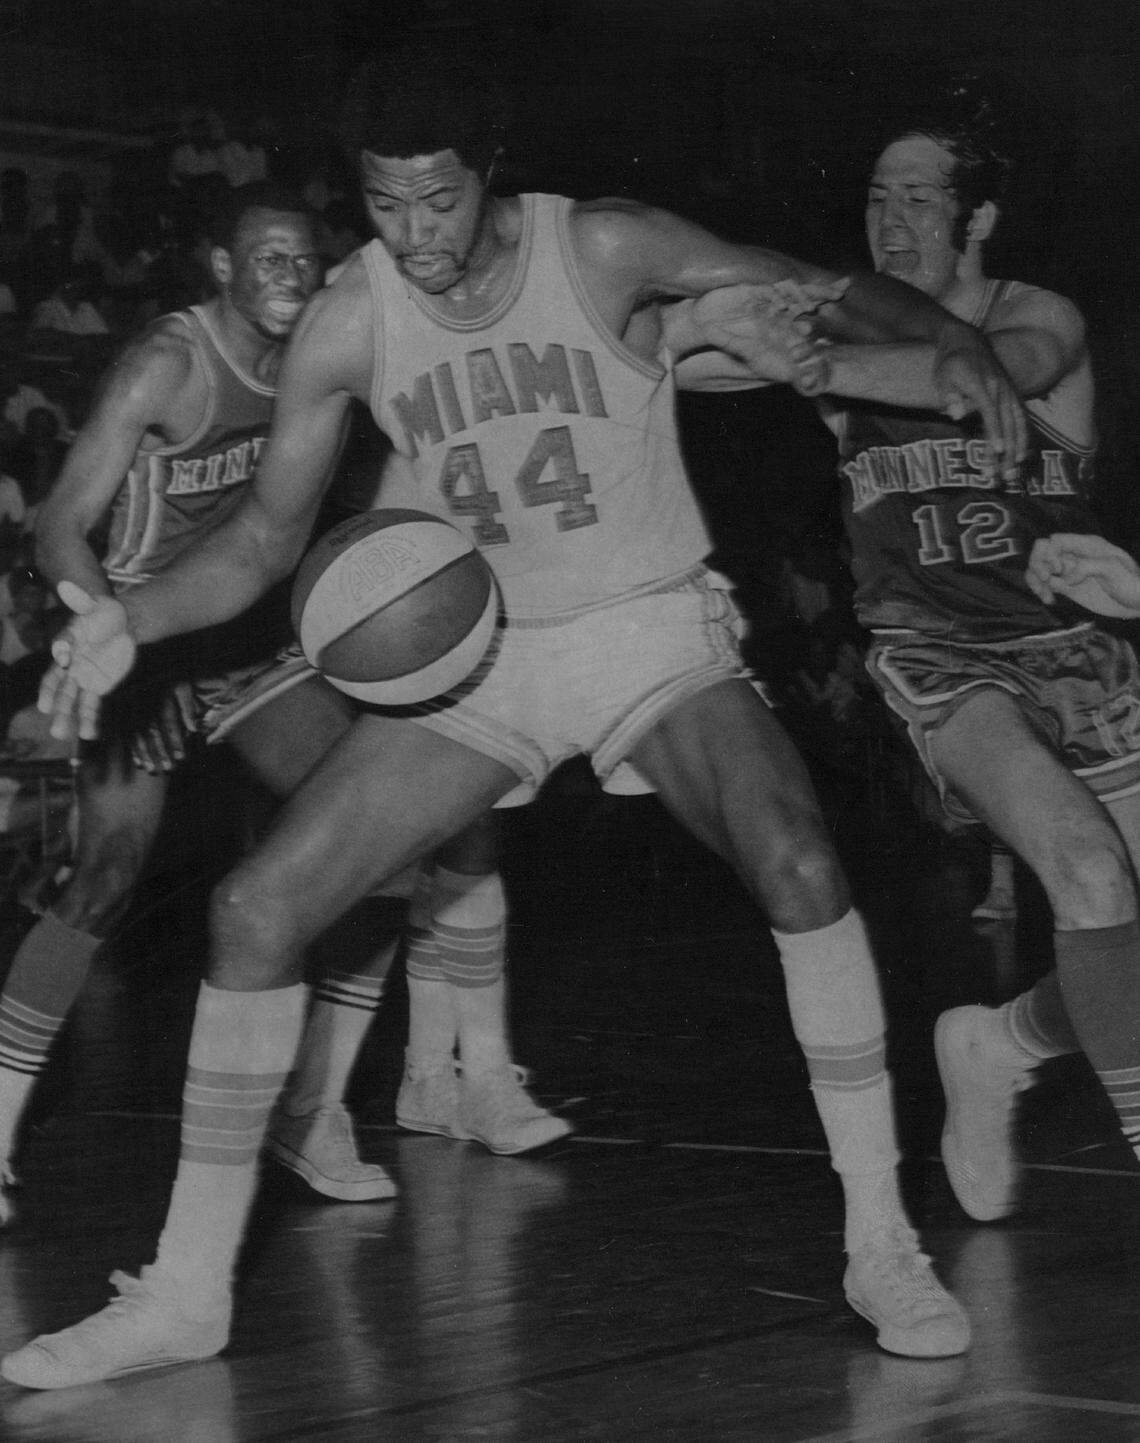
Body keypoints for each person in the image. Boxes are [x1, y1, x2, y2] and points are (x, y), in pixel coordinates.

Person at [7, 44, 1027, 1388]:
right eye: (385, 206)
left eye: (436, 202)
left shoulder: (601, 244)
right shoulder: (354, 317)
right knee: (255, 910)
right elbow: (264, 536)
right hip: (479, 649)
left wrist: (957, 341)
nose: (414, 235)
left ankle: (881, 1238)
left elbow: (809, 278)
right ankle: (189, 1287)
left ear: (485, 175)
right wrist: (130, 617)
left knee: (799, 858)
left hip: (646, 626)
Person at [0, 178, 561, 1239]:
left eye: (304, 262)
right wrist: (105, 631)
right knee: (104, 880)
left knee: (383, 848)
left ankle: (312, 1109)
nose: (290, 278)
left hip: (248, 641)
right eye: (267, 260)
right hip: (136, 637)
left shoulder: (321, 356)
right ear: (221, 267)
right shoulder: (167, 362)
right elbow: (61, 525)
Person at [674, 102, 1140, 1232]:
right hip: (941, 662)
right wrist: (730, 325)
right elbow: (671, 364)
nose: (890, 221)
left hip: (1073, 648)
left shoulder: (1038, 318)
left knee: (1118, 939)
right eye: (877, 199)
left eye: (918, 199)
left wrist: (798, 352)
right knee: (1086, 871)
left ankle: (996, 1046)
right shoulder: (850, 348)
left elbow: (981, 376)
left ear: (978, 217)